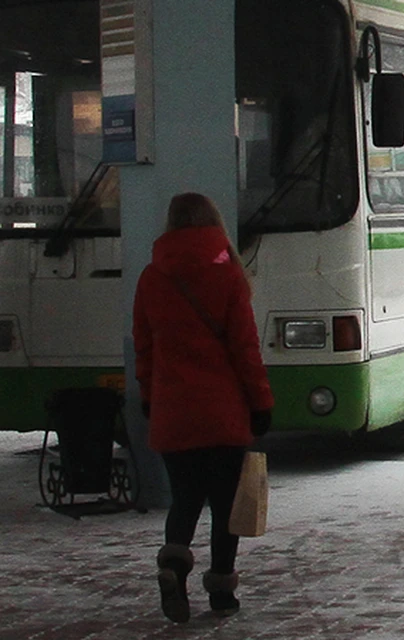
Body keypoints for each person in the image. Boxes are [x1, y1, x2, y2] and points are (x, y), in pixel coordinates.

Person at [133, 192, 274, 623]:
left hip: (173, 413)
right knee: (225, 506)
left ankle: (173, 567)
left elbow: (144, 347)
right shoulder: (229, 277)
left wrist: (148, 398)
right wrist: (261, 403)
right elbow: (244, 350)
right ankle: (221, 591)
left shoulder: (151, 278)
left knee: (186, 498)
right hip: (222, 413)